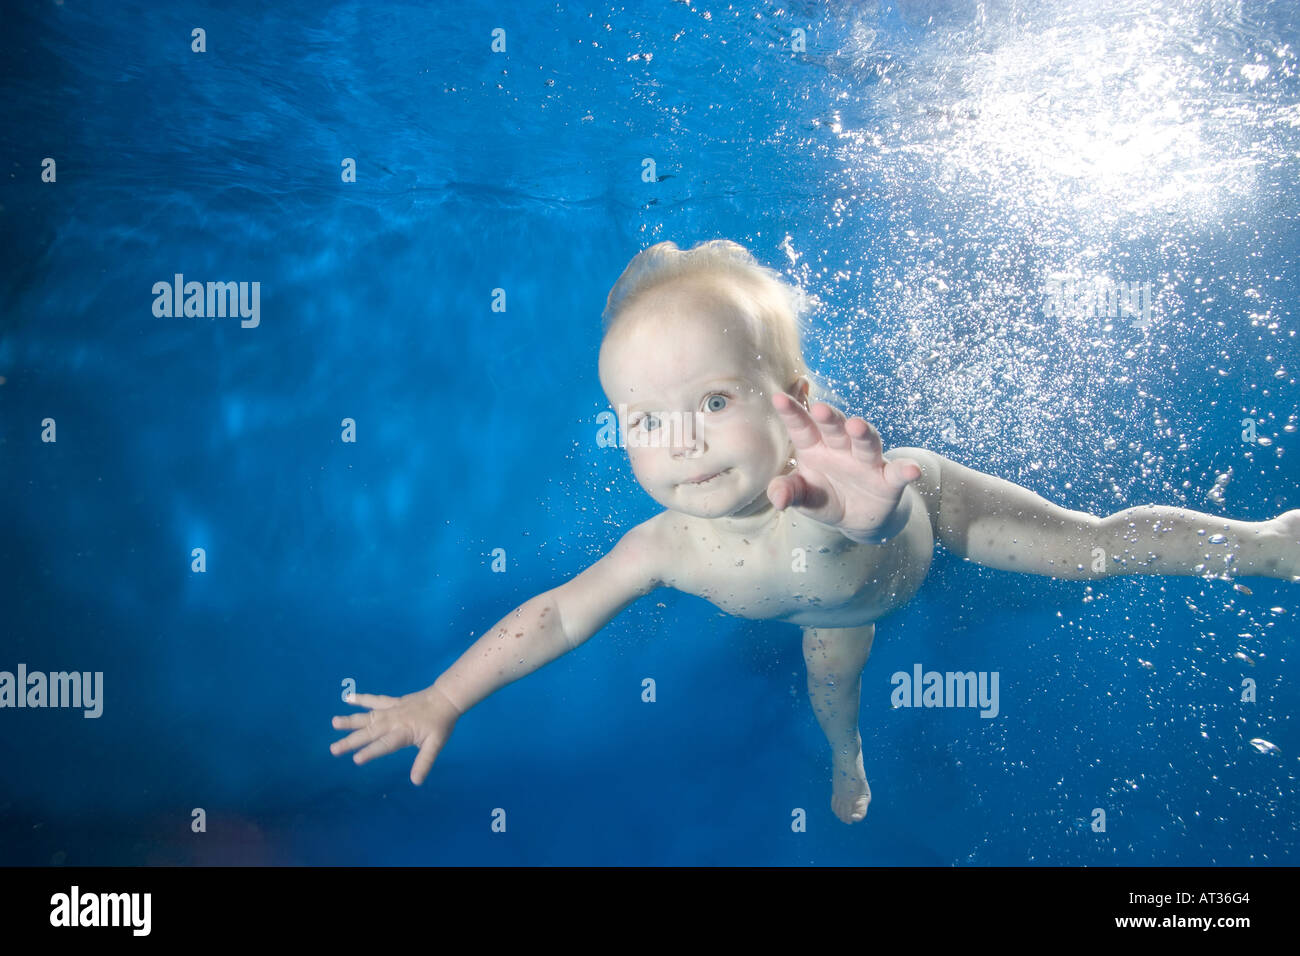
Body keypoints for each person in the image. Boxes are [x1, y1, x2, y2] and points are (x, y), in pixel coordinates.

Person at [331, 239, 1298, 824]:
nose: (679, 443)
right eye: (642, 420)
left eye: (713, 400)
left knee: (1084, 551)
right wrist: (442, 698)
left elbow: (866, 526)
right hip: (825, 616)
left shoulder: (842, 486)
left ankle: (1265, 541)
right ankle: (849, 757)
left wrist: (876, 516)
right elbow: (556, 617)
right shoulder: (662, 545)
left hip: (927, 516)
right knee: (834, 688)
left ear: (792, 401)